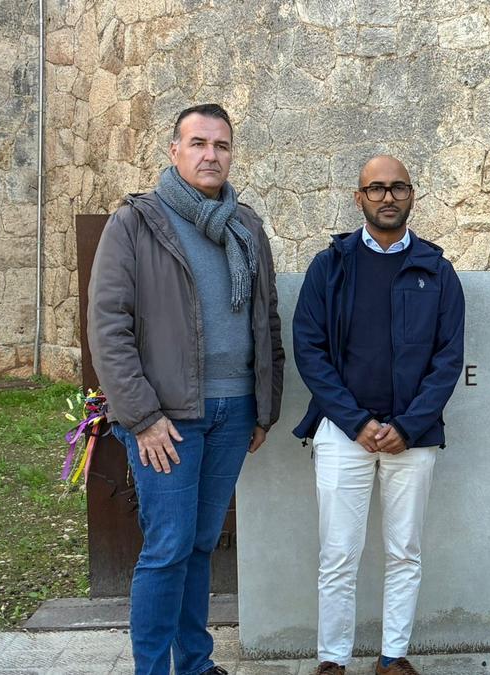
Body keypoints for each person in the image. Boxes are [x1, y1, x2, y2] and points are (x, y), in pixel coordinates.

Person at [87, 103, 285, 675]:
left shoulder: (245, 225)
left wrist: (263, 409)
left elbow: (265, 317)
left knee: (200, 544)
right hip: (167, 417)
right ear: (174, 151)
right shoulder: (137, 223)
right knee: (168, 547)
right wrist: (142, 416)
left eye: (221, 146)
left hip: (234, 409)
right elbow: (109, 326)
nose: (210, 155)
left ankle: (195, 665)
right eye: (198, 143)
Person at [292, 155, 465, 675]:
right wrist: (356, 422)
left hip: (412, 437)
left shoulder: (437, 269)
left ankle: (393, 658)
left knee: (404, 551)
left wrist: (408, 426)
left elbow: (447, 358)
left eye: (398, 188)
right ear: (358, 196)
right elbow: (309, 349)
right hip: (344, 433)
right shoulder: (332, 265)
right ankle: (332, 661)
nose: (387, 197)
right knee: (339, 554)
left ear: (412, 195)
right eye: (376, 189)